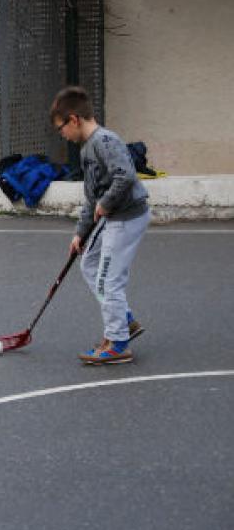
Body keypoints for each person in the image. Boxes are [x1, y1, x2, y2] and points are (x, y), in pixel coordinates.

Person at [50, 86, 150, 364]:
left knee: (108, 280)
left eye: (61, 129)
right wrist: (80, 233)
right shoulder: (87, 150)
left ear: (73, 119)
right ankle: (124, 320)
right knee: (89, 264)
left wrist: (105, 203)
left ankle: (118, 343)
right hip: (112, 216)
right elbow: (91, 198)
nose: (63, 136)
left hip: (126, 216)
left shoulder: (105, 141)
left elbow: (125, 176)